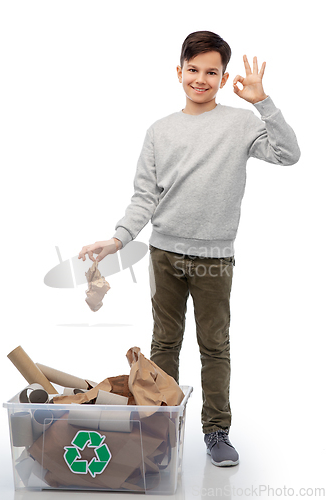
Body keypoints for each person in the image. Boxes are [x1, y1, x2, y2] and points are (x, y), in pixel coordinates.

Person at [78, 31, 300, 467]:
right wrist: (119, 237)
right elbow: (145, 196)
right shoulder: (160, 131)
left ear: (223, 77)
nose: (201, 79)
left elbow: (288, 153)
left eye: (211, 72)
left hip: (216, 258)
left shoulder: (240, 124)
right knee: (164, 343)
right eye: (193, 70)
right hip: (165, 254)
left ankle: (216, 431)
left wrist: (262, 101)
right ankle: (161, 429)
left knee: (214, 346)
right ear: (179, 72)